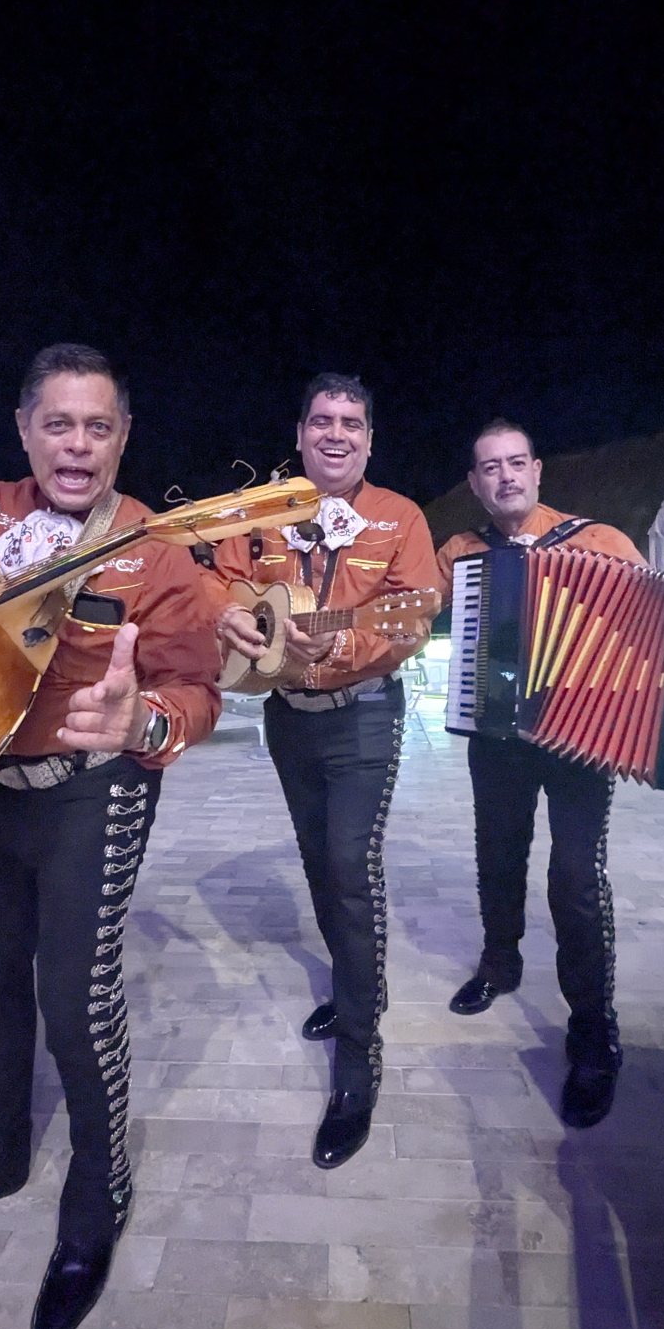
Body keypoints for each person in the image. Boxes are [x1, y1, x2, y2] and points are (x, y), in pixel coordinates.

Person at [0, 344, 220, 1329]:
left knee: (76, 1004)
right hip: (2, 784)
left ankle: (100, 1189)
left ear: (122, 438)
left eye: (97, 426)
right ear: (24, 429)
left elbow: (197, 693)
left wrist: (144, 723)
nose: (76, 445)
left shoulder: (159, 554)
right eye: (58, 424)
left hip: (98, 785)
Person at [204, 374, 442, 1168]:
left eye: (351, 423)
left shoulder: (401, 517)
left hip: (363, 716)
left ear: (370, 440)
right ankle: (352, 989)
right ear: (301, 434)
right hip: (286, 716)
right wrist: (232, 610)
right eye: (322, 421)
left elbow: (414, 610)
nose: (336, 434)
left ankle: (359, 1055)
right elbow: (217, 577)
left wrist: (342, 645)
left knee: (349, 866)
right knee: (317, 861)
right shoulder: (265, 512)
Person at [437, 418, 647, 1130]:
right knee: (497, 853)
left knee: (576, 878)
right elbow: (415, 613)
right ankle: (500, 964)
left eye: (516, 462)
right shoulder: (461, 552)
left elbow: (650, 624)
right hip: (496, 734)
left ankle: (593, 1027)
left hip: (581, 738)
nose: (505, 476)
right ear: (475, 483)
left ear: (536, 470)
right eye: (490, 467)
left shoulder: (599, 541)